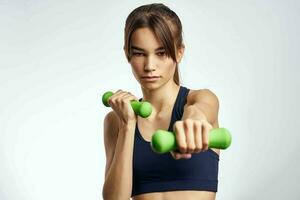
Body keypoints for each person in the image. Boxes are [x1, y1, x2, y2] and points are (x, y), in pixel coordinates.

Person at [102, 3, 220, 200]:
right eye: (140, 53)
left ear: (179, 52)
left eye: (161, 53)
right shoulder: (116, 121)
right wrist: (127, 126)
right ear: (127, 54)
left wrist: (192, 121)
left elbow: (200, 110)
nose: (149, 66)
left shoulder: (201, 98)